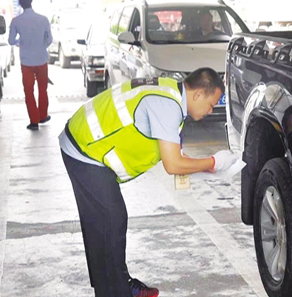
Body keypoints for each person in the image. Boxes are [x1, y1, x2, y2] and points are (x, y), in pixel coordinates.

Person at [59, 68, 240, 297]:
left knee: (107, 222)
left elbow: (174, 156)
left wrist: (209, 167)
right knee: (109, 220)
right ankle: (114, 291)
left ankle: (118, 285)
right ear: (198, 95)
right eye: (211, 104)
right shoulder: (168, 106)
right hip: (85, 149)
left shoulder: (171, 93)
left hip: (88, 144)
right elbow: (173, 164)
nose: (210, 110)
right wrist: (213, 162)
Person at [8, 0, 52, 130]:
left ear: (20, 3)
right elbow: (49, 39)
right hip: (41, 59)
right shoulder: (43, 19)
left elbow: (10, 41)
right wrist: (41, 46)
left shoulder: (16, 21)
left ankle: (34, 121)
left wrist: (20, 42)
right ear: (31, 0)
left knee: (29, 91)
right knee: (42, 89)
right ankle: (43, 115)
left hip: (26, 62)